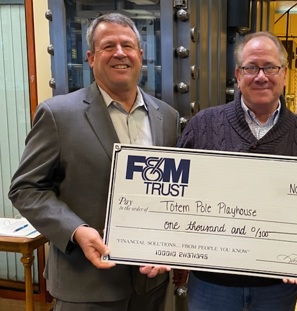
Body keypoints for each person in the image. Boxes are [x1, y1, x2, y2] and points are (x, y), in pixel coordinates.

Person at [9, 13, 179, 311]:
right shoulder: (58, 115)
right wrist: (76, 230)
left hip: (150, 284)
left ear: (140, 55)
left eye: (127, 45)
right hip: (85, 285)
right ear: (90, 57)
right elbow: (25, 189)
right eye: (108, 46)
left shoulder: (167, 116)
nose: (119, 53)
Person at [176, 31, 297, 310]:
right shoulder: (203, 126)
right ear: (238, 74)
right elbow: (176, 196)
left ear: (284, 73)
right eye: (251, 67)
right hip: (212, 285)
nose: (261, 76)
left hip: (277, 288)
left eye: (270, 67)